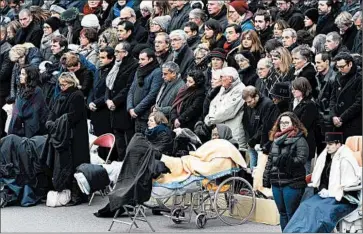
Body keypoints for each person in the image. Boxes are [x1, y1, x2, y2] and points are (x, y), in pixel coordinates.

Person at [283, 132, 361, 233]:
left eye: (330, 144)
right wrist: (323, 189)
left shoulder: (346, 159)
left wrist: (332, 192)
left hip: (343, 198)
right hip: (328, 196)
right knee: (305, 205)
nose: (327, 147)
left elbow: (349, 184)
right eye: (326, 144)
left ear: (338, 144)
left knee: (318, 211)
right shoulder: (326, 157)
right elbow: (322, 178)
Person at [45, 72, 90, 206]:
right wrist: (50, 122)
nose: (61, 86)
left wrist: (55, 123)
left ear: (71, 83)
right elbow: (53, 111)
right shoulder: (60, 95)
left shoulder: (77, 95)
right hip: (63, 134)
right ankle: (65, 190)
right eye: (60, 84)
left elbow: (73, 116)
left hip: (75, 135)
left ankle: (76, 194)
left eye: (64, 84)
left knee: (75, 163)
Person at [263, 111, 309, 231]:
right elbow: (270, 160)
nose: (283, 125)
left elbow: (302, 159)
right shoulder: (276, 139)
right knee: (282, 213)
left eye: (286, 122)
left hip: (292, 182)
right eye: (281, 122)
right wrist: (266, 178)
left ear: (294, 124)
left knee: (291, 213)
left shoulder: (300, 139)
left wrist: (288, 161)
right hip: (276, 182)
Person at [105, 42, 138, 162]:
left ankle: (127, 163)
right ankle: (120, 161)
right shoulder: (116, 65)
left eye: (118, 52)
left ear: (126, 53)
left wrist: (114, 101)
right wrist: (107, 99)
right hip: (113, 107)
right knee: (118, 140)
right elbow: (109, 85)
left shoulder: (133, 65)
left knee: (127, 138)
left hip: (123, 106)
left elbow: (128, 87)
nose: (115, 54)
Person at [205, 67, 246, 151]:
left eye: (221, 77)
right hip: (221, 128)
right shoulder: (224, 87)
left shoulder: (240, 89)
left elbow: (228, 111)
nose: (220, 79)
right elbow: (213, 103)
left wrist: (211, 119)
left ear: (230, 79)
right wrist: (210, 117)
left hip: (234, 132)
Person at [127, 48, 163, 134]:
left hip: (146, 116)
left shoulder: (157, 72)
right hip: (136, 115)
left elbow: (152, 94)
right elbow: (131, 90)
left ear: (150, 59)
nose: (139, 62)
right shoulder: (138, 71)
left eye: (142, 59)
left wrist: (137, 110)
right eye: (139, 59)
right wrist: (130, 108)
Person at [329, 52, 362, 141]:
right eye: (337, 67)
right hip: (337, 121)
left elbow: (359, 103)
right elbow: (332, 99)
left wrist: (342, 118)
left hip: (353, 123)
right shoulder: (338, 77)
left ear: (350, 64)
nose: (339, 70)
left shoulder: (359, 79)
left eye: (342, 67)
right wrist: (333, 116)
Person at [8, 66, 48, 138]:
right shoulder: (22, 89)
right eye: (20, 74)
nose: (20, 76)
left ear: (30, 76)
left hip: (29, 129)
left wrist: (19, 114)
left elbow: (34, 112)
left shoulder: (37, 91)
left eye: (23, 74)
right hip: (18, 125)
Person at [290, 77, 319, 174]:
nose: (293, 91)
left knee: (304, 173)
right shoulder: (296, 103)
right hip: (296, 142)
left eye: (295, 89)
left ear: (302, 89)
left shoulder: (309, 104)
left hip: (305, 142)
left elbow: (303, 126)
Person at [242, 86, 273, 172]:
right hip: (251, 142)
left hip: (261, 144)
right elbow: (246, 121)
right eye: (246, 102)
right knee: (253, 170)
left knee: (260, 171)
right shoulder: (248, 104)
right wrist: (249, 139)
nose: (248, 104)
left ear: (256, 96)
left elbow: (265, 126)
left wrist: (253, 140)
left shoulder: (267, 104)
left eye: (249, 102)